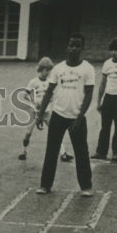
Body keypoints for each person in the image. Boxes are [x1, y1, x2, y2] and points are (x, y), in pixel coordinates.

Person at [35, 32, 96, 196]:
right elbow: (49, 92)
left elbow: (89, 94)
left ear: (82, 48)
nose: (73, 48)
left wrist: (80, 116)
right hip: (58, 115)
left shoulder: (87, 69)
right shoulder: (58, 68)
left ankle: (86, 186)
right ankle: (45, 185)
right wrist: (40, 114)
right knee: (51, 151)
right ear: (67, 47)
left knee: (81, 151)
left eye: (77, 45)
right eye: (71, 45)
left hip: (76, 117)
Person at [17, 56, 71, 162]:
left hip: (46, 113)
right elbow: (25, 95)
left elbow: (53, 95)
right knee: (28, 133)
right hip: (34, 113)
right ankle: (23, 150)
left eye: (49, 71)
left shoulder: (49, 82)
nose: (49, 73)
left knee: (55, 131)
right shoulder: (33, 82)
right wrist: (34, 102)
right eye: (47, 71)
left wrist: (51, 100)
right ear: (42, 70)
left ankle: (63, 153)